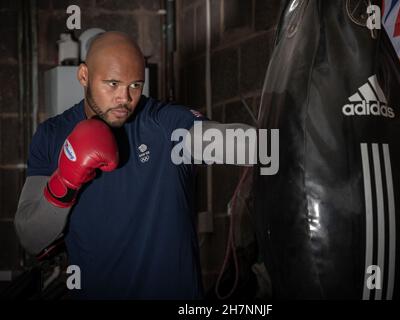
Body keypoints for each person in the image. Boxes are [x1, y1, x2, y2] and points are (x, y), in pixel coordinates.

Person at [14, 31, 255, 299]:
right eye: (113, 84)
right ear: (84, 76)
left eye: (135, 85)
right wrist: (66, 181)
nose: (125, 99)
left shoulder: (162, 124)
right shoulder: (51, 135)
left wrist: (259, 143)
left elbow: (235, 143)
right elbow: (31, 237)